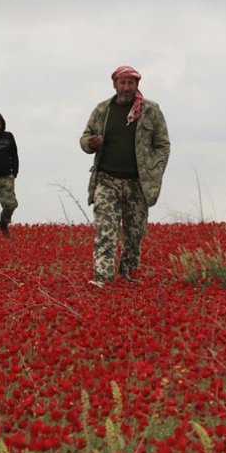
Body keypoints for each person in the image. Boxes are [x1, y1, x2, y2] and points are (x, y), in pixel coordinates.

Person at [80, 66, 171, 288]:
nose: (126, 87)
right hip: (106, 181)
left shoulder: (150, 111)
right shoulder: (102, 110)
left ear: (137, 85)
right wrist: (90, 143)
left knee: (134, 234)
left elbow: (162, 145)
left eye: (131, 83)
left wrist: (154, 171)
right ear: (115, 84)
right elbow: (84, 138)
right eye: (122, 83)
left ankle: (128, 274)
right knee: (105, 230)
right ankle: (102, 278)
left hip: (137, 184)